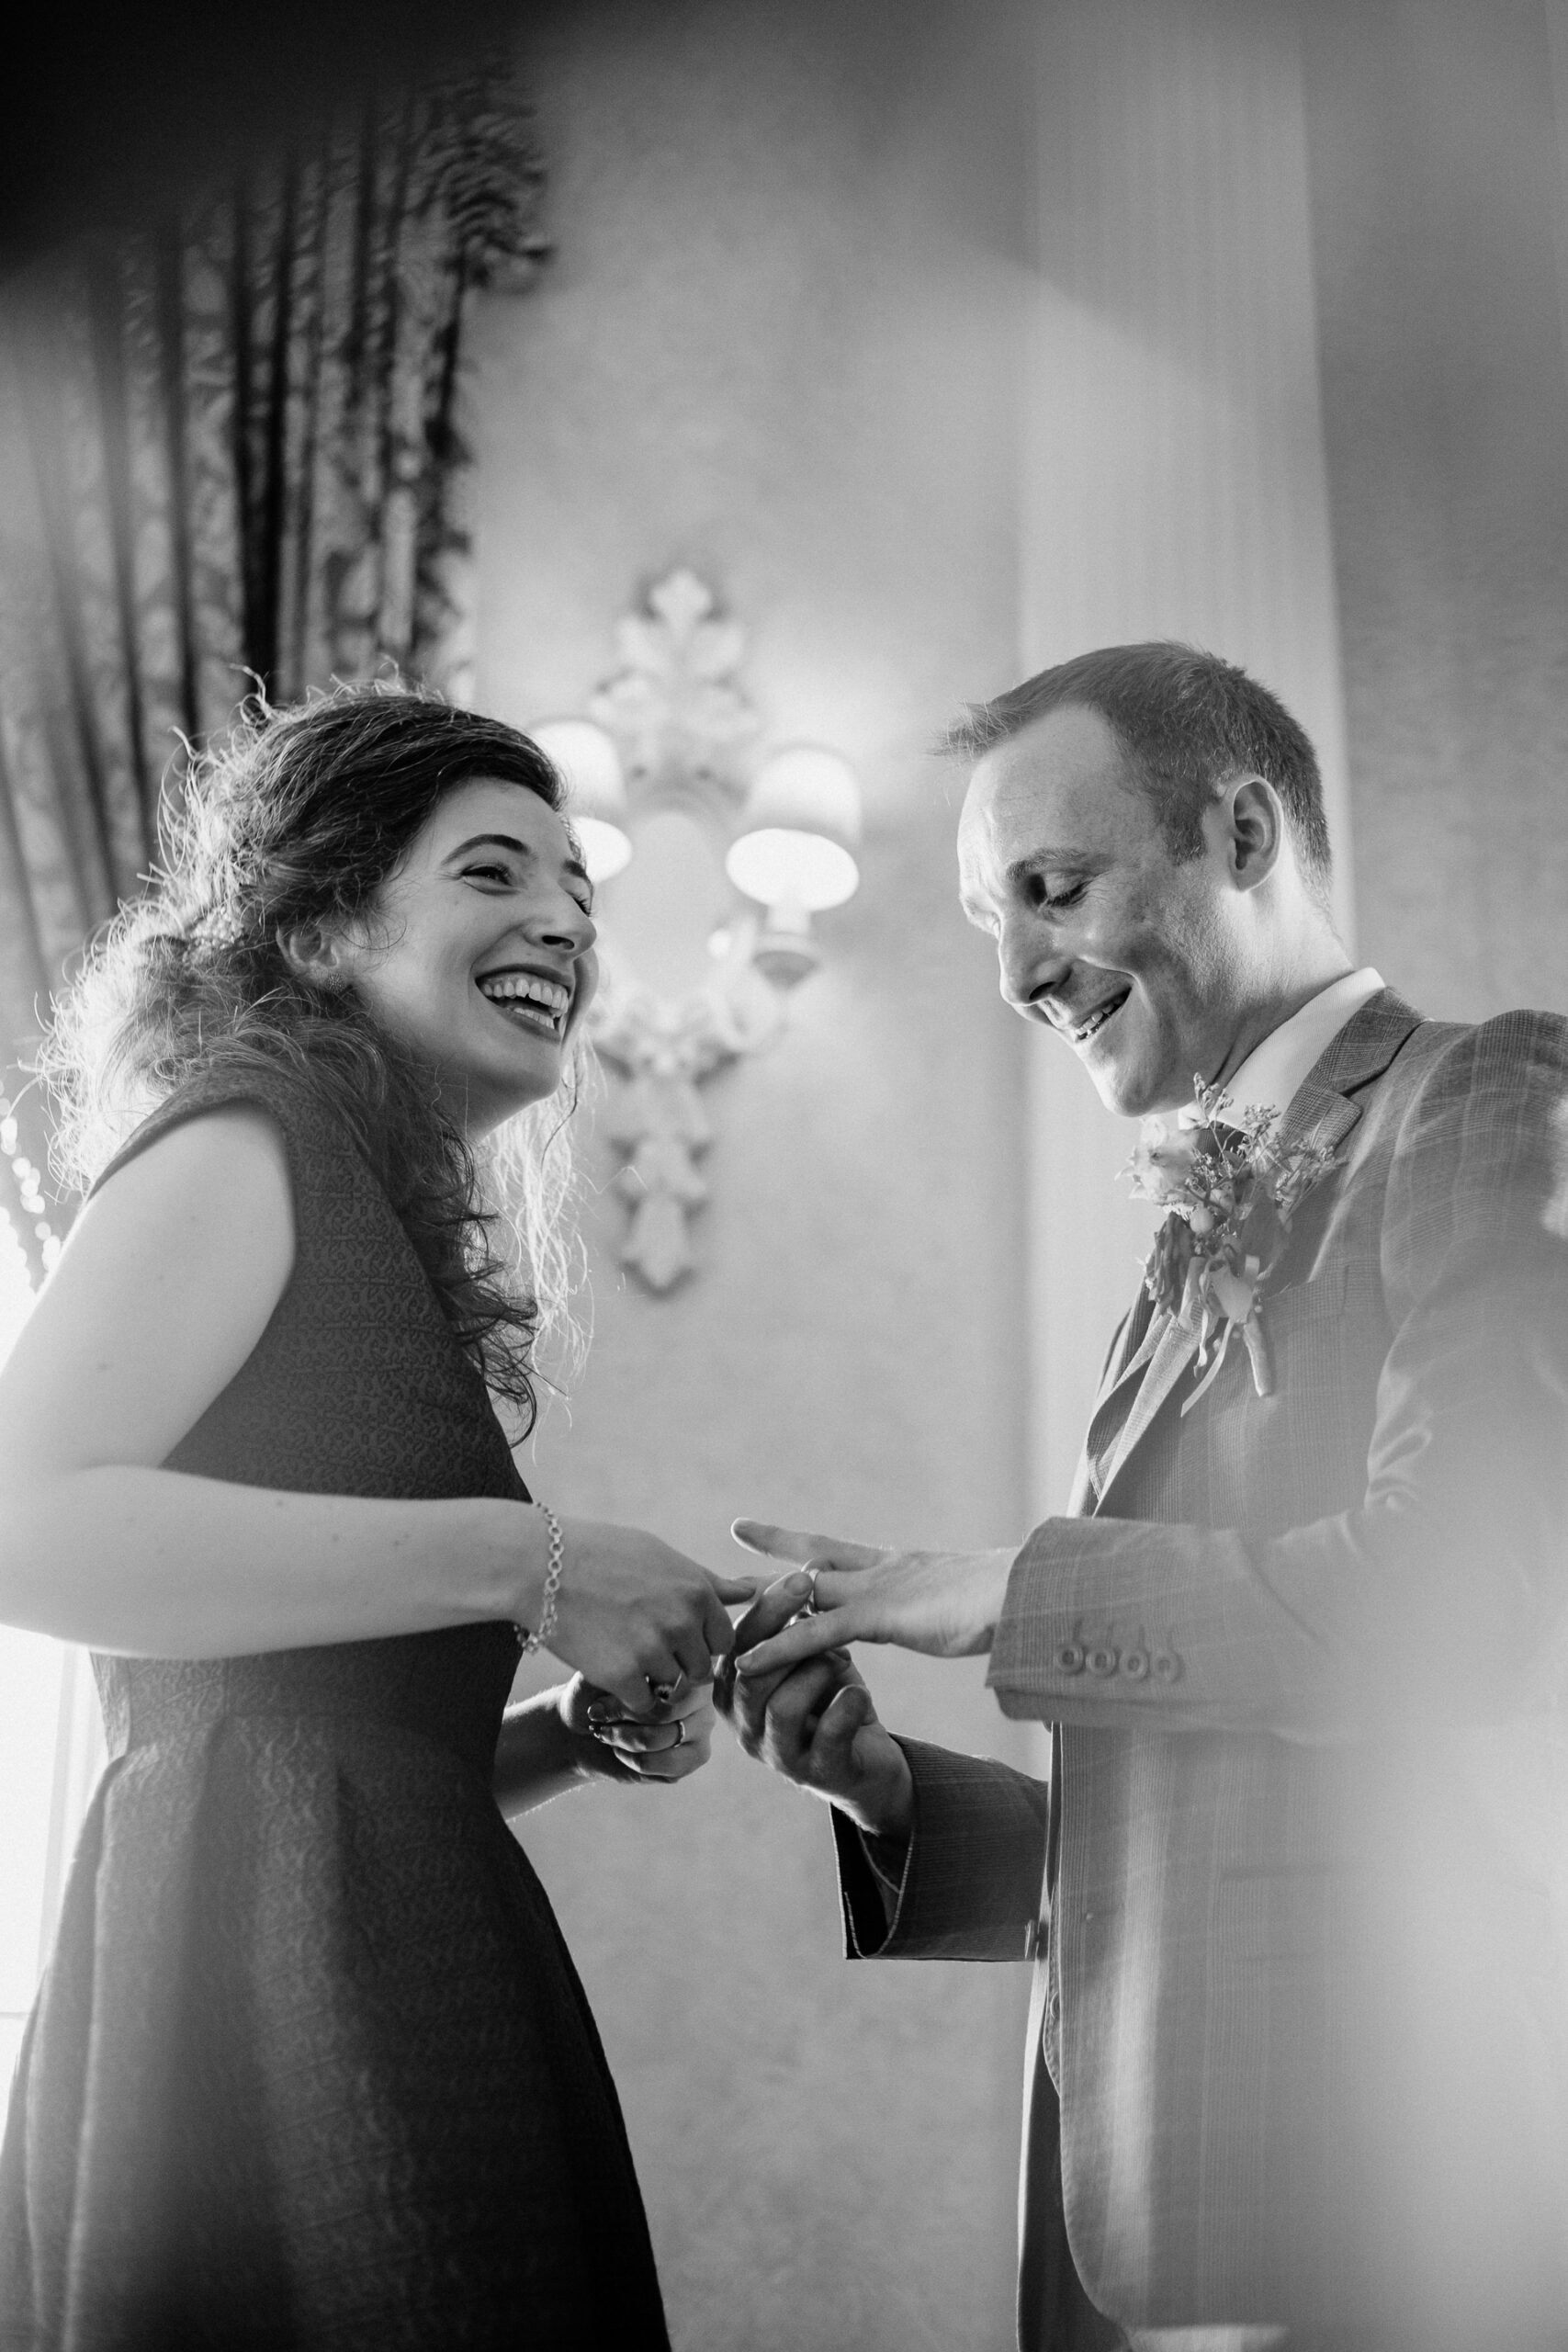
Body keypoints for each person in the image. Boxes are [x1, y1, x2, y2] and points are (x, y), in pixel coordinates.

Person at [720, 643, 1568, 2352]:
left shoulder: (1480, 1096)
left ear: (1241, 831)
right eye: (992, 923)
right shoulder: (1173, 1262)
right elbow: (1199, 1823)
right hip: (1153, 2213)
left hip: (1379, 2196)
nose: (1023, 968)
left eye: (1053, 889)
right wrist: (899, 1802)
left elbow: (1458, 1614)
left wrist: (1004, 1594)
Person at [0, 684, 755, 2349]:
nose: (563, 919)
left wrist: (568, 1730)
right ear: (329, 918)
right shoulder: (245, 1134)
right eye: (494, 874)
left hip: (380, 1955)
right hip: (266, 2004)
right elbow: (20, 1528)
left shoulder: (357, 1196)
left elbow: (305, 1728)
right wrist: (532, 1562)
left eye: (578, 891)